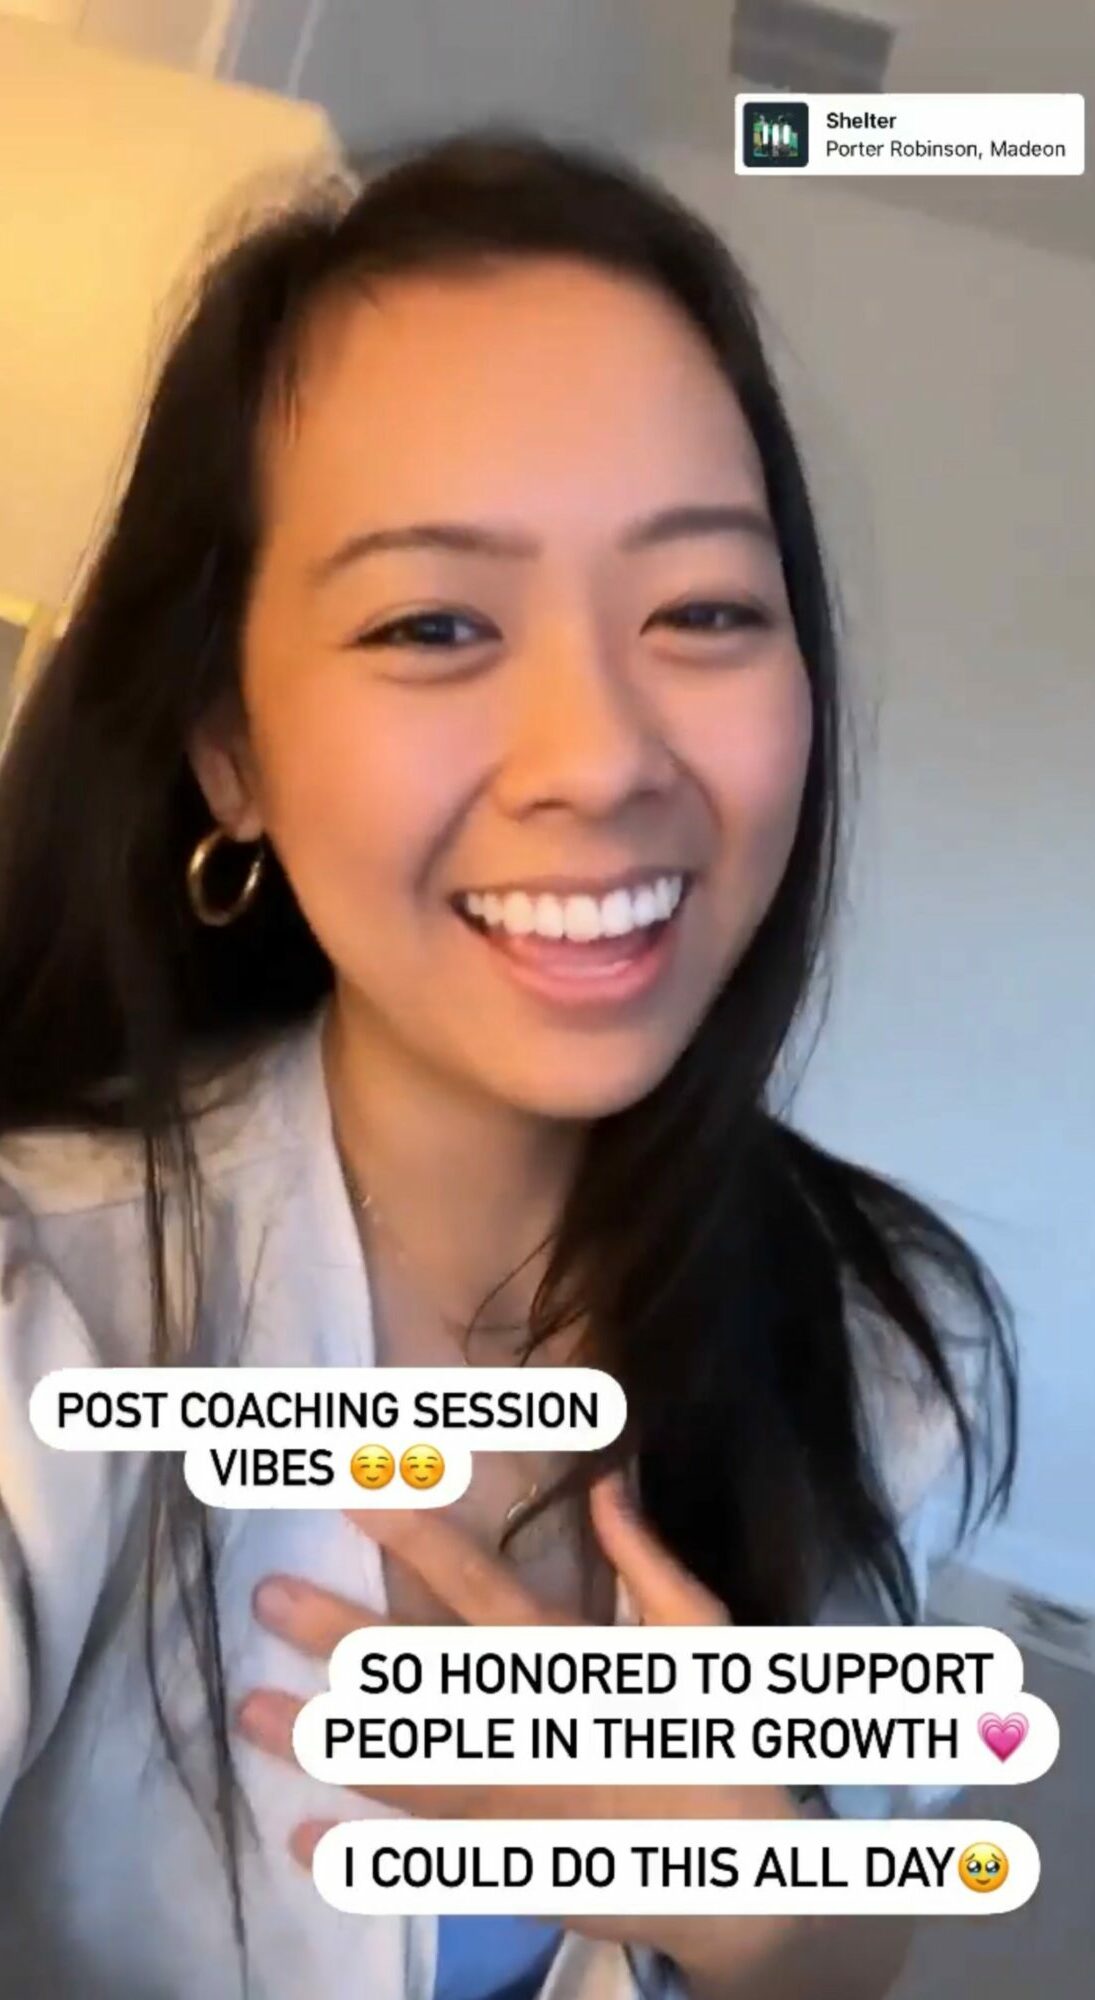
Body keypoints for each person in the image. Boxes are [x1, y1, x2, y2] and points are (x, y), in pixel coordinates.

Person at [0, 128, 1016, 2000]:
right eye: (435, 625)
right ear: (233, 750)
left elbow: (843, 1924)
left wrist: (763, 1910)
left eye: (703, 612)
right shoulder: (41, 1310)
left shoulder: (883, 1340)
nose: (601, 756)